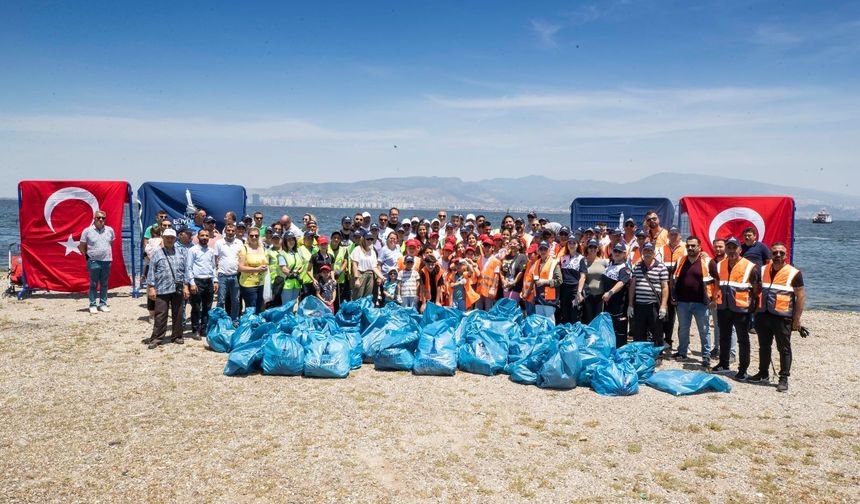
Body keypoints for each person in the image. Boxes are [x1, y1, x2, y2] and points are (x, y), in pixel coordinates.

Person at [751, 242, 805, 392]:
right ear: (771, 254)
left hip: (782, 317)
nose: (778, 255)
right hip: (763, 315)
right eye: (775, 253)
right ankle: (763, 373)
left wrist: (797, 319)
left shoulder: (794, 273)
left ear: (786, 255)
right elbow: (756, 290)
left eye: (781, 253)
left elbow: (800, 297)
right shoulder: (762, 270)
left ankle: (784, 378)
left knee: (784, 348)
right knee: (764, 346)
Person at [711, 237, 758, 379]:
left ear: (740, 249)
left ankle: (743, 369)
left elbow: (756, 290)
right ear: (726, 249)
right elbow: (717, 284)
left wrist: (754, 308)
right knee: (724, 337)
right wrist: (714, 299)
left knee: (743, 340)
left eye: (734, 247)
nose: (731, 250)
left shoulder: (750, 267)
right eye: (729, 247)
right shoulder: (719, 265)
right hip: (723, 307)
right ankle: (723, 364)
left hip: (741, 309)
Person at [671, 236, 719, 367]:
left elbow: (717, 280)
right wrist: (673, 295)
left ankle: (706, 356)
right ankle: (682, 352)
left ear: (699, 246)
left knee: (704, 330)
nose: (690, 248)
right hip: (683, 302)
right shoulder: (680, 260)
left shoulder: (708, 261)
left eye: (693, 245)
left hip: (702, 303)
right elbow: (673, 278)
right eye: (688, 246)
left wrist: (714, 298)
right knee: (683, 329)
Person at [146, 228, 189, 348]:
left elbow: (185, 271)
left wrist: (186, 286)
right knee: (160, 314)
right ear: (163, 238)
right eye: (167, 237)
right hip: (162, 288)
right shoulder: (157, 253)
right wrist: (151, 288)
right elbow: (151, 272)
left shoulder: (181, 252)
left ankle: (177, 336)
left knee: (178, 314)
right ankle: (157, 338)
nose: (169, 240)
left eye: (172, 238)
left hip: (177, 288)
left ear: (175, 239)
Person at [628, 243, 669, 349]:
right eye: (645, 251)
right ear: (642, 252)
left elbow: (665, 287)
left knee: (657, 331)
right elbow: (632, 286)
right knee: (639, 332)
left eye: (650, 251)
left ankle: (658, 355)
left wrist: (663, 306)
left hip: (654, 305)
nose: (647, 253)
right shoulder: (637, 266)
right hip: (639, 305)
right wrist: (630, 305)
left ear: (654, 253)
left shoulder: (661, 267)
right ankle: (640, 355)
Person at [79, 210, 116, 314]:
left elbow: (111, 243)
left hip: (107, 261)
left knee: (104, 283)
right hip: (93, 261)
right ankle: (92, 304)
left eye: (103, 218)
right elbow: (82, 246)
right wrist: (88, 257)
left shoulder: (110, 230)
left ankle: (103, 304)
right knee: (93, 284)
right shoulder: (87, 231)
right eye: (98, 218)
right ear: (94, 219)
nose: (100, 220)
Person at [186, 229, 218, 339]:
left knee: (207, 307)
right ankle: (195, 330)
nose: (204, 237)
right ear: (198, 237)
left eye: (206, 235)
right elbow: (189, 268)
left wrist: (215, 280)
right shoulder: (192, 250)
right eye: (202, 235)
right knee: (196, 307)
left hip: (208, 281)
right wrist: (192, 283)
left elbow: (213, 267)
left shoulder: (211, 250)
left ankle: (204, 329)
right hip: (197, 281)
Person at [709, 238, 737, 363]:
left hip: (732, 300)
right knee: (717, 325)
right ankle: (717, 348)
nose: (718, 249)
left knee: (732, 328)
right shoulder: (712, 263)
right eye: (716, 247)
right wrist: (714, 298)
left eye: (720, 246)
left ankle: (732, 352)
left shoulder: (731, 261)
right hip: (717, 299)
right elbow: (715, 282)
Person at [602, 243, 632, 348]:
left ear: (624, 254)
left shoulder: (625, 268)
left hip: (619, 306)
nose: (617, 253)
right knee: (609, 329)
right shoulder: (610, 265)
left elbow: (622, 282)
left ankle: (621, 353)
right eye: (615, 251)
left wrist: (610, 292)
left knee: (620, 331)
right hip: (608, 305)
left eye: (620, 252)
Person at [214, 223, 244, 324]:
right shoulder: (219, 243)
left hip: (235, 276)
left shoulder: (239, 243)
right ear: (225, 231)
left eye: (232, 231)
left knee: (236, 300)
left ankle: (234, 320)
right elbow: (215, 260)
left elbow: (242, 258)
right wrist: (215, 278)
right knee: (221, 300)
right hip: (222, 275)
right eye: (228, 230)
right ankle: (219, 321)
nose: (230, 233)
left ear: (235, 232)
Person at [524, 241, 562, 319]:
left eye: (545, 249)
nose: (543, 251)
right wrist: (527, 293)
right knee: (540, 324)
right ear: (538, 250)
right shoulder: (537, 263)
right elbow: (533, 280)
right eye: (541, 249)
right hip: (538, 299)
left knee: (549, 324)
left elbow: (559, 281)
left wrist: (545, 282)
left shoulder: (554, 263)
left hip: (549, 300)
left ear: (549, 250)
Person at [237, 227, 268, 315]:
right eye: (251, 236)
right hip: (248, 284)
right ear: (248, 237)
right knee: (251, 308)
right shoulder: (244, 249)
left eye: (256, 236)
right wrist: (256, 269)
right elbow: (240, 267)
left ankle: (257, 326)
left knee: (260, 307)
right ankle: (250, 326)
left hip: (262, 283)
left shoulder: (263, 248)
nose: (254, 237)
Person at [558, 235, 587, 324]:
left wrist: (579, 292)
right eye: (569, 243)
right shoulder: (563, 258)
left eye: (573, 243)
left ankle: (575, 336)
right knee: (564, 314)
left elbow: (583, 276)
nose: (571, 245)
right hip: (564, 290)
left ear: (577, 245)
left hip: (575, 290)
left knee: (575, 315)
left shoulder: (581, 258)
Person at [582, 239, 609, 323]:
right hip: (588, 296)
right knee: (589, 319)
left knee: (598, 320)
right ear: (587, 249)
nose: (592, 249)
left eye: (595, 247)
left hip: (600, 296)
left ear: (598, 249)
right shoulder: (584, 262)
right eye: (590, 247)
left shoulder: (604, 262)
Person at [351, 231, 382, 300]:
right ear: (363, 239)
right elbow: (354, 265)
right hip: (360, 274)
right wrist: (356, 279)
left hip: (370, 275)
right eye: (368, 239)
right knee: (358, 297)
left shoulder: (373, 251)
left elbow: (374, 267)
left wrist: (381, 276)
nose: (370, 241)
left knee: (367, 298)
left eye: (371, 239)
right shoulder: (357, 249)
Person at [475, 236, 501, 310]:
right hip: (479, 290)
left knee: (488, 311)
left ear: (492, 248)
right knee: (478, 311)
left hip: (489, 291)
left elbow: (496, 276)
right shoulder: (479, 259)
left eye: (489, 246)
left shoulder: (496, 261)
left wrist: (492, 288)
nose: (487, 248)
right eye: (485, 246)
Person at [500, 238, 527, 303]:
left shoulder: (522, 257)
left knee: (512, 306)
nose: (512, 245)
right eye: (510, 243)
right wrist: (503, 281)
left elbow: (521, 271)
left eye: (514, 244)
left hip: (516, 286)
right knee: (506, 306)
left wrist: (514, 282)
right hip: (506, 285)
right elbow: (501, 271)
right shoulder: (506, 257)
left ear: (519, 246)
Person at [280, 232, 303, 304]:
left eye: (293, 240)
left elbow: (302, 265)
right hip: (287, 284)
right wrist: (292, 274)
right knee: (286, 305)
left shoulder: (297, 252)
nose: (291, 242)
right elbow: (283, 268)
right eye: (289, 240)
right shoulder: (282, 253)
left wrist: (297, 273)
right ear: (285, 241)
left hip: (297, 283)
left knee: (293, 303)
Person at [264, 233, 286, 309]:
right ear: (271, 240)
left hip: (285, 280)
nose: (276, 241)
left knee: (282, 302)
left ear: (281, 240)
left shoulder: (285, 251)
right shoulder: (268, 251)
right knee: (272, 302)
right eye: (274, 239)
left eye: (278, 239)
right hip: (273, 281)